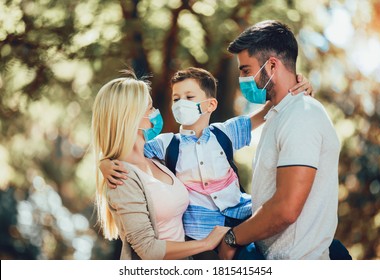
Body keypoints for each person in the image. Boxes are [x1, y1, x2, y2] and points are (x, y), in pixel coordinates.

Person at [100, 67, 312, 259]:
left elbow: (266, 113)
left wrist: (294, 88)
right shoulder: (164, 146)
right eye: (176, 99)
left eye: (189, 97)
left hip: (239, 223)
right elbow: (123, 151)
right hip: (198, 238)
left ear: (211, 104)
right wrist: (105, 164)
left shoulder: (224, 134)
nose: (181, 103)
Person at [218, 20, 346, 260]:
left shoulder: (301, 115)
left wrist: (232, 238)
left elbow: (286, 209)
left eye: (246, 70)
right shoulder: (280, 113)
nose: (242, 79)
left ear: (272, 65)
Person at [91, 69, 230, 260]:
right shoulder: (120, 176)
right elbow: (149, 251)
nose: (155, 113)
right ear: (131, 117)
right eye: (149, 108)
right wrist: (206, 243)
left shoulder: (156, 157)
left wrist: (103, 162)